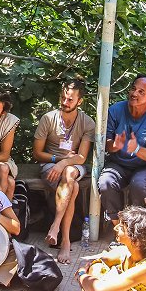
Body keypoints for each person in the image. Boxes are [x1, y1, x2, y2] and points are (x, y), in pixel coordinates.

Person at [33, 77, 95, 264]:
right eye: (63, 98)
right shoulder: (48, 119)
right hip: (51, 164)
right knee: (73, 187)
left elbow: (82, 157)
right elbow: (37, 153)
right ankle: (66, 241)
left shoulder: (87, 123)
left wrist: (65, 164)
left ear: (79, 101)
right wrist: (59, 160)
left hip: (74, 165)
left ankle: (55, 226)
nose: (64, 102)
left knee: (69, 173)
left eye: (69, 99)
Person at [98, 76, 146, 222]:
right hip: (118, 164)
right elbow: (107, 145)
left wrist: (136, 149)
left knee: (139, 186)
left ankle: (138, 227)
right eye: (133, 89)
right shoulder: (115, 110)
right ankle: (117, 225)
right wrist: (115, 146)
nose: (134, 94)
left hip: (144, 166)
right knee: (106, 182)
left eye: (141, 92)